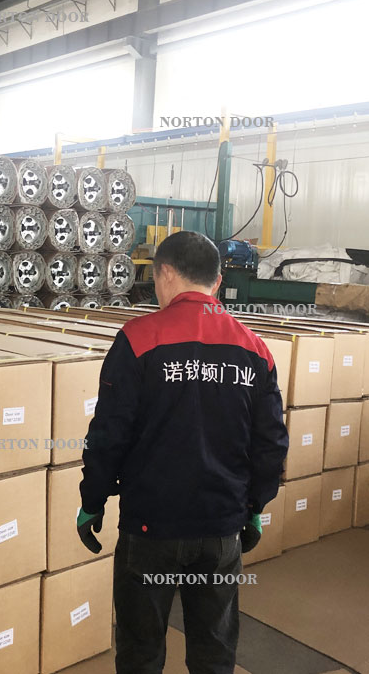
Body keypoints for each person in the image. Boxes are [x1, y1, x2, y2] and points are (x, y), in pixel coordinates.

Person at [77, 231, 288, 674]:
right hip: (221, 527)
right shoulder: (254, 349)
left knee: (140, 650)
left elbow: (109, 435)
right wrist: (254, 507)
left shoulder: (137, 339)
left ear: (166, 274)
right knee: (214, 651)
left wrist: (92, 500)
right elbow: (270, 443)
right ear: (217, 281)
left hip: (149, 528)